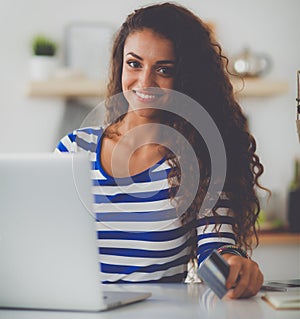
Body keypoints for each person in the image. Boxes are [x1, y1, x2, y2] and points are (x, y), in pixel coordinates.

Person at [56, 2, 266, 299]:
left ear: (186, 79)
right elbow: (45, 240)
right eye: (134, 63)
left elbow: (215, 247)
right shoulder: (73, 149)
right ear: (120, 65)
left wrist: (231, 262)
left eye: (164, 69)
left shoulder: (199, 159)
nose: (144, 82)